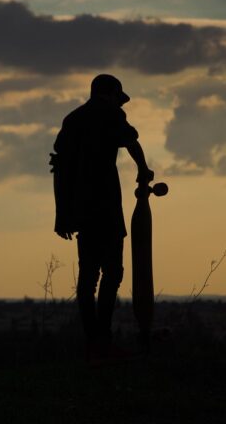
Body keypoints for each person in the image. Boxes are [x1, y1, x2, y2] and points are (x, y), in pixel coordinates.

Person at [50, 74, 153, 360]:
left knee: (88, 276)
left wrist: (63, 214)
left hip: (80, 209)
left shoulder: (72, 120)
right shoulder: (111, 114)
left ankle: (93, 341)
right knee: (112, 272)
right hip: (106, 205)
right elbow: (131, 141)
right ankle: (102, 341)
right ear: (109, 95)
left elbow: (59, 169)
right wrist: (143, 170)